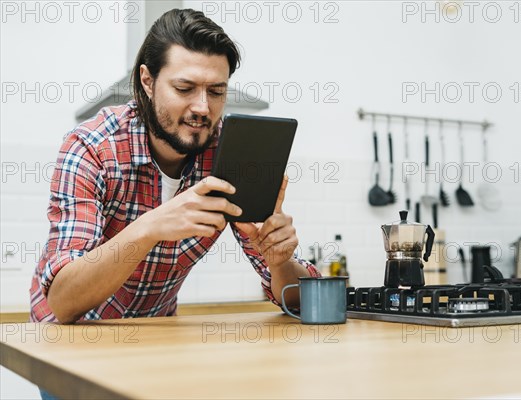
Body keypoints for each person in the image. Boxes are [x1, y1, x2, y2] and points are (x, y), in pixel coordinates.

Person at [29, 8, 319, 325]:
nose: (202, 107)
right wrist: (150, 227)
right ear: (148, 81)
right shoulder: (92, 148)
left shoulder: (231, 156)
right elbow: (63, 301)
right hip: (67, 336)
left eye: (216, 91)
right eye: (184, 88)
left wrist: (280, 262)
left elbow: (301, 301)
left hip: (156, 329)